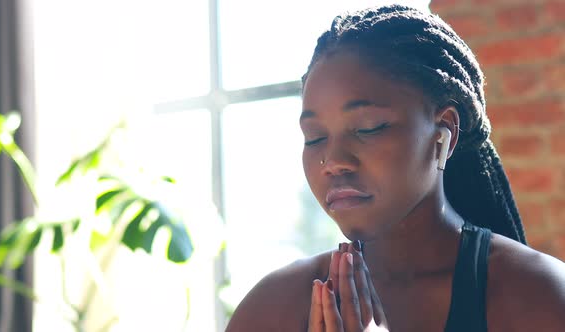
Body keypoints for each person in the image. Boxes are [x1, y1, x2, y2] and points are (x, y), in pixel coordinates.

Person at [225, 5, 565, 332]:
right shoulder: (272, 308)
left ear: (443, 133)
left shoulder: (539, 298)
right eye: (314, 138)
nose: (334, 161)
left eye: (368, 128)